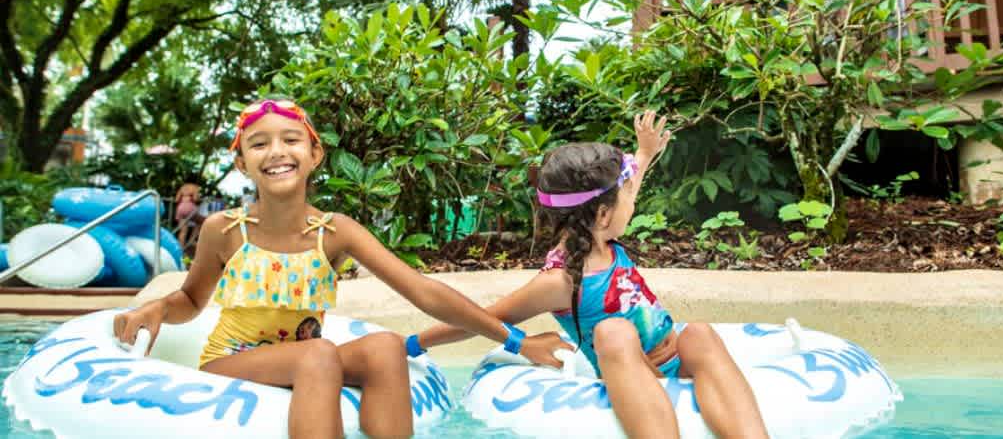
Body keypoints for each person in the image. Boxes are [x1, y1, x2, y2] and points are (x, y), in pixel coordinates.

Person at [113, 98, 570, 439]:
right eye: (259, 144)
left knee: (385, 347)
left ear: (314, 155)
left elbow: (423, 292)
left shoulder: (334, 231)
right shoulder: (225, 230)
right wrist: (156, 309)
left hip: (306, 357)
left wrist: (517, 341)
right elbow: (191, 299)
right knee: (318, 353)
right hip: (232, 362)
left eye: (291, 140)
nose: (276, 152)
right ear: (241, 163)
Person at [411, 111, 770, 439]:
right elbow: (482, 318)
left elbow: (628, 184)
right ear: (602, 214)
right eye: (628, 196)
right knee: (613, 332)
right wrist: (413, 345)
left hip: (675, 361)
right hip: (632, 374)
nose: (634, 199)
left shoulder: (603, 233)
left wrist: (645, 152)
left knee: (699, 333)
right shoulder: (560, 281)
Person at [174, 179, 201, 248]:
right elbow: (195, 199)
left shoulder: (182, 187)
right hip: (190, 208)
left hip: (180, 208)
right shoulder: (195, 187)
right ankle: (191, 241)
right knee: (200, 222)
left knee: (183, 230)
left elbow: (176, 199)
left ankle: (180, 248)